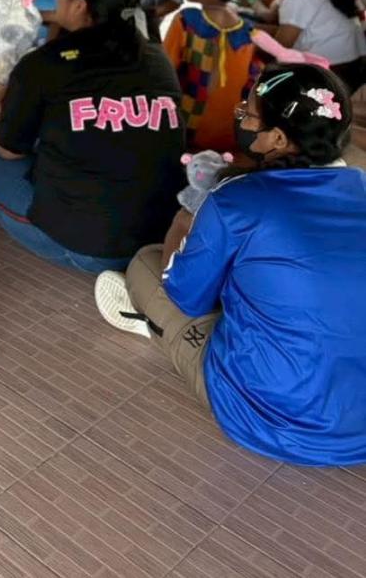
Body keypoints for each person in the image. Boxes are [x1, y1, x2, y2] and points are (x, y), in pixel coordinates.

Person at [95, 64, 366, 467]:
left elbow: (187, 297)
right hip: (359, 427)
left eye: (249, 114)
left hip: (267, 419)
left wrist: (184, 220)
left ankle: (155, 326)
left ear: (278, 138)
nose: (241, 117)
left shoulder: (237, 198)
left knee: (145, 265)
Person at [0, 0, 186, 273]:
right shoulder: (155, 58)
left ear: (80, 6)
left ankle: (65, 241)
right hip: (158, 233)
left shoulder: (44, 64)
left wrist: (1, 88)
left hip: (90, 247)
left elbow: (6, 149)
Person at [163, 0, 261, 152]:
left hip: (189, 132)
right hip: (232, 136)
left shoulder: (186, 21)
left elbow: (165, 71)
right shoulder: (246, 31)